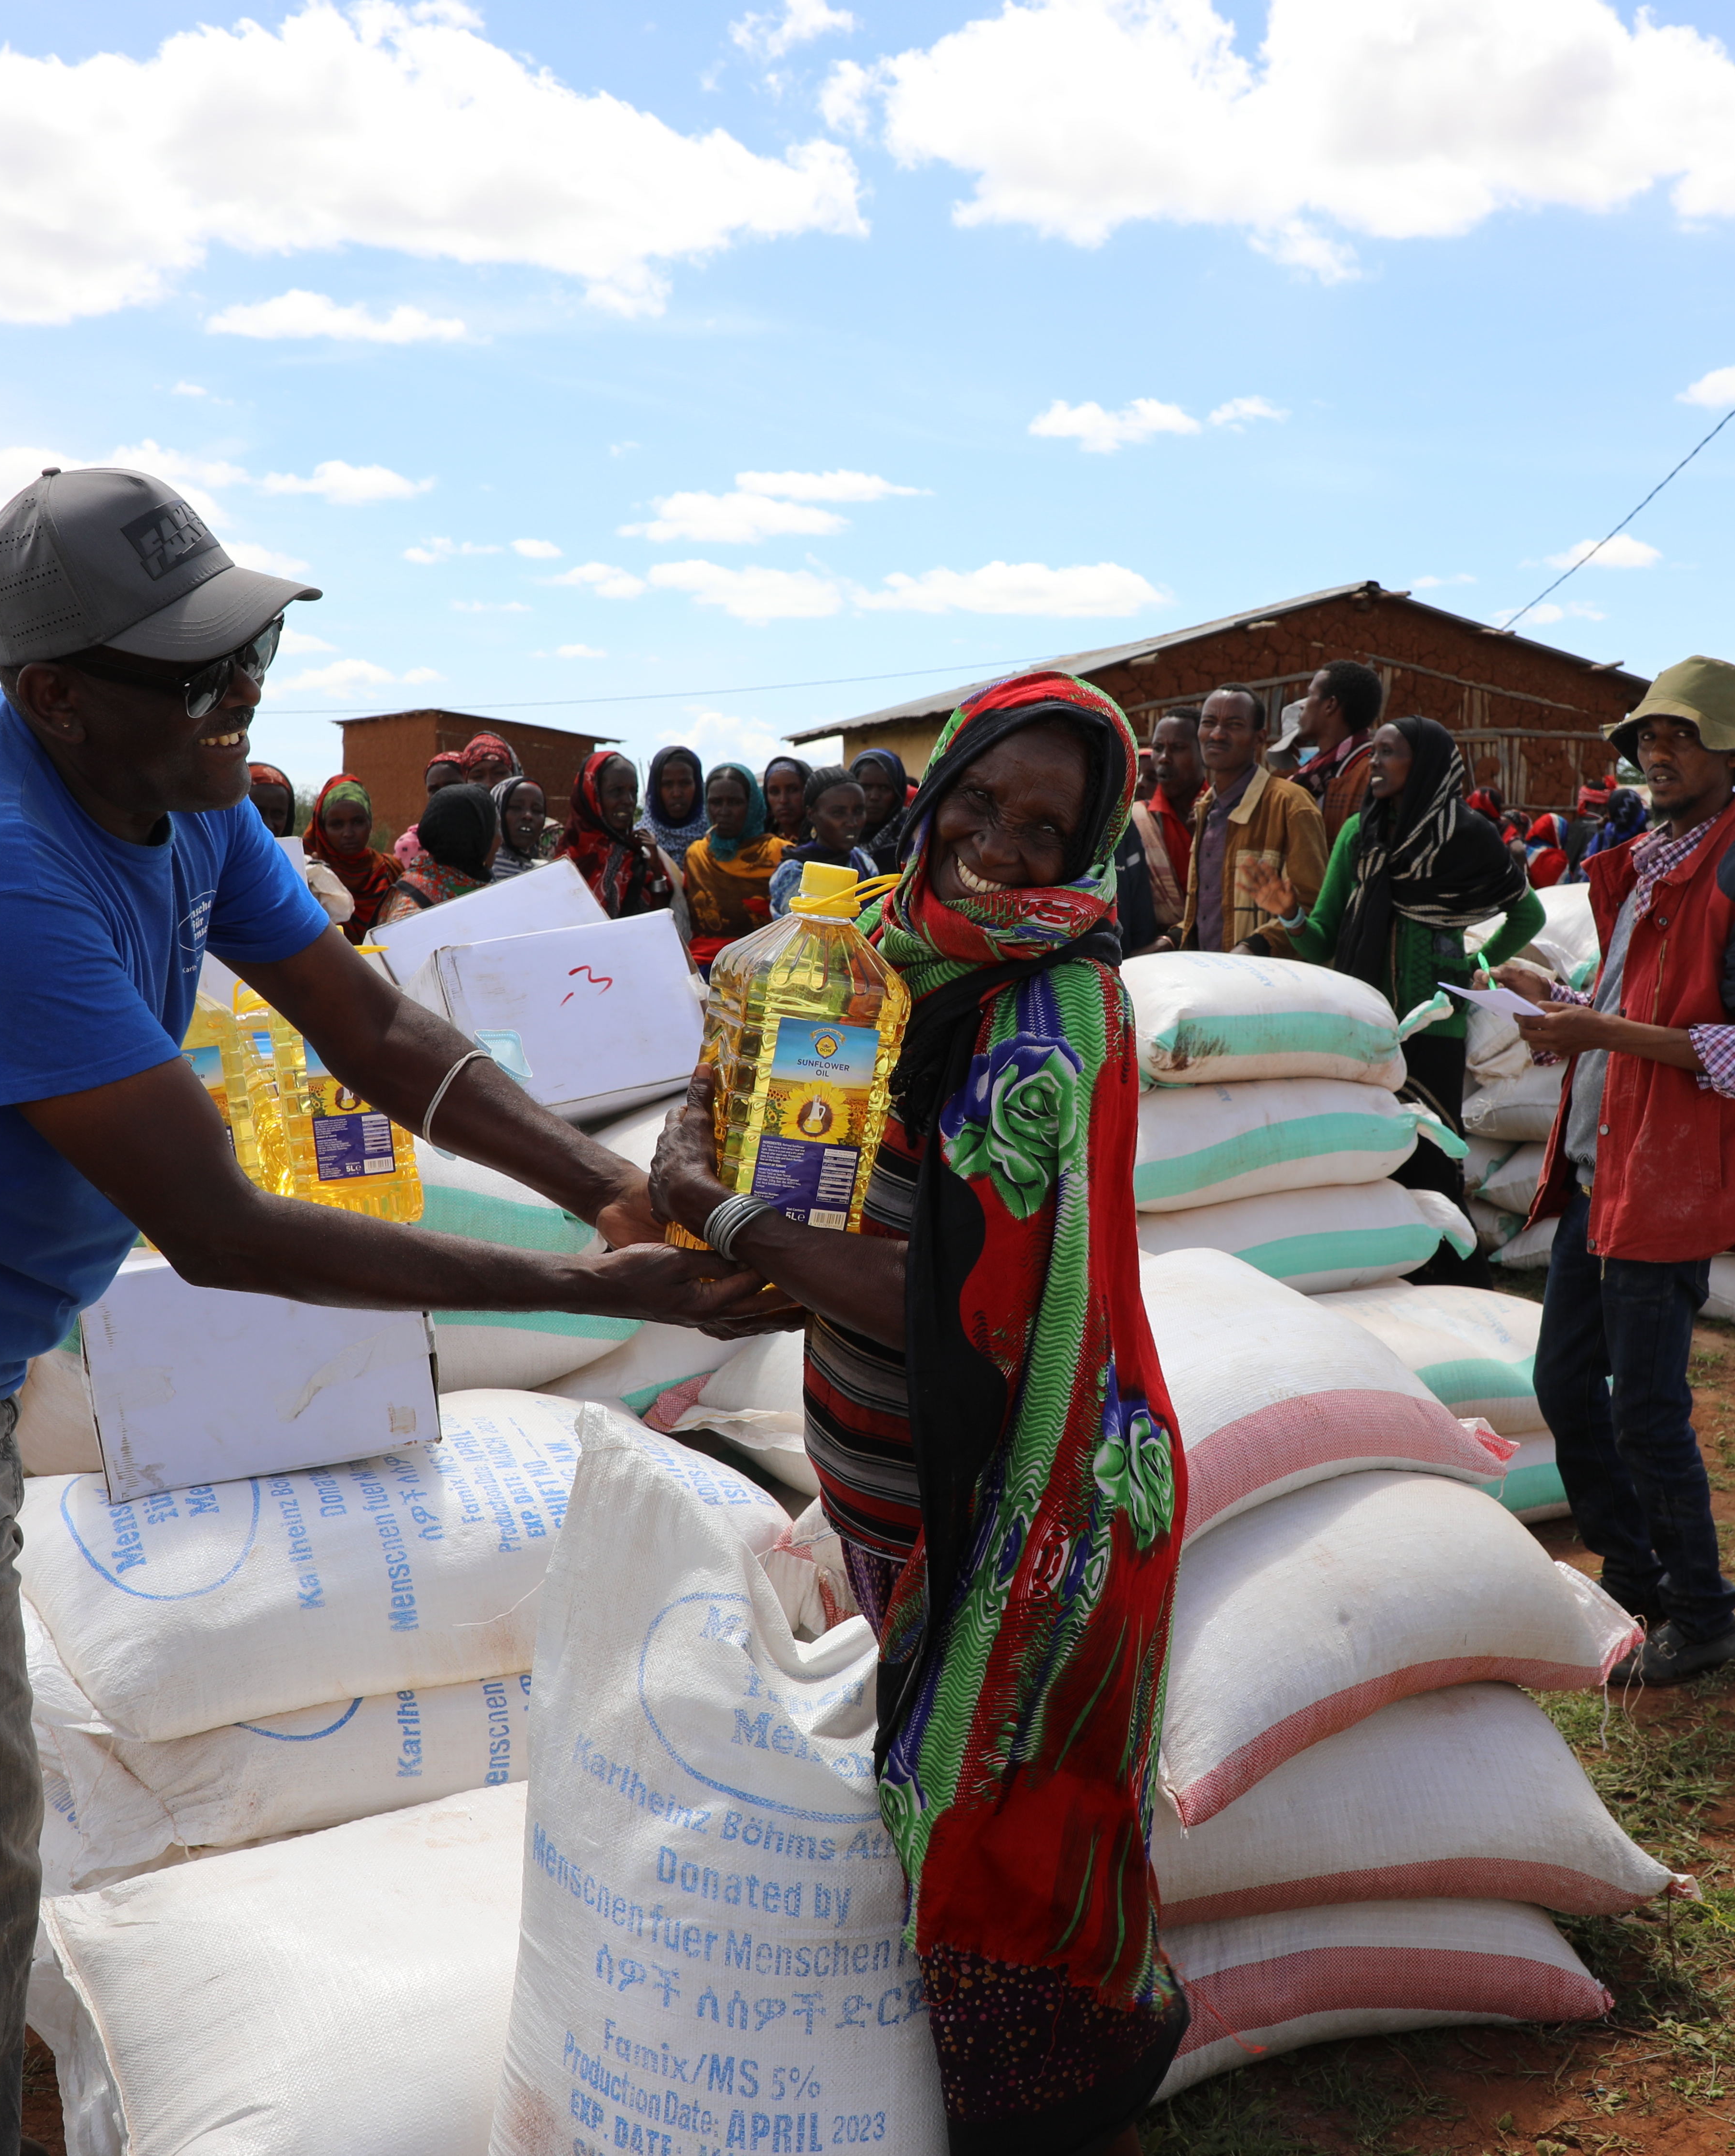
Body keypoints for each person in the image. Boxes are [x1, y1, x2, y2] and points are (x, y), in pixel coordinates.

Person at [0, 464, 768, 2156]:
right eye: (194, 671)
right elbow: (222, 1229)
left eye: (248, 655)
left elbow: (371, 1033)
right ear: (54, 696)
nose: (240, 698)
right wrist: (596, 1292)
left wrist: (600, 1186)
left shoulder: (183, 785)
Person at [647, 669, 1191, 2155]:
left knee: (984, 1792)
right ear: (928, 784)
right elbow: (736, 1115)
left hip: (1019, 1482)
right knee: (911, 1755)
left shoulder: (1059, 1003)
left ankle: (1041, 2088)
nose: (998, 844)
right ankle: (917, 2058)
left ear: (1084, 852)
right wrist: (701, 1135)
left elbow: (953, 1297)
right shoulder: (853, 950)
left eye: (1043, 824)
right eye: (978, 798)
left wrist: (727, 1213)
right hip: (879, 1460)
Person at [1491, 656, 1735, 1691]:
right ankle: (1634, 1580)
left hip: (1667, 1181)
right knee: (1562, 1386)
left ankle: (1706, 1618)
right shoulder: (1646, 860)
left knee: (1645, 1407)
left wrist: (1607, 1029)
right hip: (1604, 1170)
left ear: (1733, 757)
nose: (1657, 754)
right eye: (1647, 738)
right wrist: (1560, 998)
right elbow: (1634, 997)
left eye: (1681, 737)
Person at [1240, 716, 1544, 1286]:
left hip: (1436, 1026)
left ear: (1425, 763)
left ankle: (1453, 1285)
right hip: (1366, 1027)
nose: (1375, 764)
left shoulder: (1468, 837)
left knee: (1431, 1161)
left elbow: (1529, 914)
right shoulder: (1361, 835)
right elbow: (1326, 937)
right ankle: (1386, 1273)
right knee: (1369, 1159)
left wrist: (1474, 968)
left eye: (1390, 753)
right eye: (1373, 752)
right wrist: (1289, 914)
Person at [1184, 686, 1323, 952]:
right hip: (1208, 979)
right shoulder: (1205, 809)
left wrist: (1254, 947)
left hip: (1264, 983)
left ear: (1259, 739)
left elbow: (1312, 907)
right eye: (1209, 723)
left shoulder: (1290, 804)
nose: (1217, 734)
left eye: (1234, 725)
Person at [671, 761, 785, 969]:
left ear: (752, 806)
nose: (724, 812)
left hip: (763, 966)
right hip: (703, 966)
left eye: (735, 802)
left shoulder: (780, 854)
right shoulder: (696, 855)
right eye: (716, 802)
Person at [558, 750, 675, 920]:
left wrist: (656, 870)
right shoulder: (566, 860)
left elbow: (661, 923)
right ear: (593, 794)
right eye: (616, 791)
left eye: (633, 792)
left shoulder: (641, 854)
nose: (628, 800)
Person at [248, 762, 356, 927]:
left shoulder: (306, 870)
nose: (268, 825)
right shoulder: (209, 866)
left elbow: (340, 911)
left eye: (278, 814)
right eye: (257, 811)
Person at [765, 763, 879, 917]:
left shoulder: (864, 862)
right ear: (812, 815)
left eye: (859, 811)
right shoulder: (794, 873)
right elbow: (805, 934)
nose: (852, 822)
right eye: (839, 813)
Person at [374, 782, 495, 923]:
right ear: (476, 837)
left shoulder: (487, 893)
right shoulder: (412, 908)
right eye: (494, 829)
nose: (500, 839)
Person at [1293, 659, 1385, 842]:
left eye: (1310, 695)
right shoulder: (1316, 770)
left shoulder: (1367, 774)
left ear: (1330, 705)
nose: (1302, 705)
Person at [304, 773, 399, 941]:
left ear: (370, 823)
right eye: (337, 825)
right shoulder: (309, 875)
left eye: (358, 822)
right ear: (322, 828)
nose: (348, 833)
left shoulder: (391, 869)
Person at [1127, 710, 1197, 937]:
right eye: (1158, 748)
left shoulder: (1223, 816)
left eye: (1177, 748)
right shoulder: (1134, 822)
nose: (1165, 758)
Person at [642, 744, 709, 863]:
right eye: (667, 784)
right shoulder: (641, 840)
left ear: (698, 786)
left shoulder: (717, 836)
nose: (677, 794)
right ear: (656, 789)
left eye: (685, 783)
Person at [852, 746, 912, 873]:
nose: (874, 797)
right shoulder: (835, 833)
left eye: (885, 788)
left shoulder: (913, 837)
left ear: (898, 793)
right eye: (866, 787)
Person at [488, 777, 549, 878]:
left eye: (537, 810)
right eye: (516, 807)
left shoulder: (547, 873)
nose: (528, 816)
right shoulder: (484, 875)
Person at [761, 754, 812, 847]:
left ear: (809, 792)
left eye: (793, 790)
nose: (783, 800)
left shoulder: (829, 843)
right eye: (774, 792)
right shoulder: (760, 848)